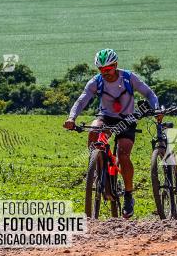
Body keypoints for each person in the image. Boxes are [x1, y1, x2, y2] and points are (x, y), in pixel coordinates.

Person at [63, 48, 160, 219]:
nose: (104, 73)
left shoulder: (129, 78)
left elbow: (149, 94)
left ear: (115, 65)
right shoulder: (96, 81)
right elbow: (82, 99)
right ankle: (96, 165)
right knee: (94, 130)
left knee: (123, 155)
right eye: (101, 69)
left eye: (107, 69)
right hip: (106, 117)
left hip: (127, 120)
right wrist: (71, 118)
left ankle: (129, 195)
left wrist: (157, 109)